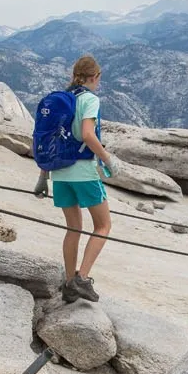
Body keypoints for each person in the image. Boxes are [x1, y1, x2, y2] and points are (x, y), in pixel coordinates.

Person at [48, 55, 113, 303]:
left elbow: (51, 139)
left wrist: (44, 176)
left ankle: (68, 282)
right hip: (83, 171)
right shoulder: (89, 100)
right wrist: (107, 158)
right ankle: (82, 279)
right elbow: (87, 134)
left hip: (60, 173)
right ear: (95, 77)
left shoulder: (62, 100)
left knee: (73, 227)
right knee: (103, 225)